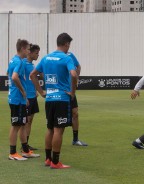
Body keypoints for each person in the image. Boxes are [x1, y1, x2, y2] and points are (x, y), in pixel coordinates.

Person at [30, 33, 77, 169]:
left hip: (49, 98)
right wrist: (72, 92)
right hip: (62, 99)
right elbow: (73, 74)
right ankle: (56, 162)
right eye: (69, 44)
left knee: (50, 129)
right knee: (58, 130)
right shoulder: (66, 58)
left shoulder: (46, 58)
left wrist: (41, 91)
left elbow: (33, 74)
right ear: (66, 44)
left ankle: (48, 159)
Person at [7, 39, 40, 160]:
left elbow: (9, 74)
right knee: (16, 125)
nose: (28, 51)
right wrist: (23, 91)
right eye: (27, 49)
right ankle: (12, 153)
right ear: (22, 49)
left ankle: (26, 150)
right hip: (16, 98)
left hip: (19, 98)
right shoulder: (19, 62)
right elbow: (15, 77)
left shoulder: (14, 60)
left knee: (23, 123)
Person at [22, 44, 41, 150]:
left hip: (33, 96)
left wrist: (35, 91)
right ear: (30, 52)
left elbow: (31, 79)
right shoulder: (23, 63)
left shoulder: (32, 65)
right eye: (36, 53)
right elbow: (17, 78)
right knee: (26, 121)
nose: (38, 55)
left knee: (30, 120)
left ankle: (26, 144)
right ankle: (23, 145)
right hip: (27, 97)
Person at [67, 52, 88, 146]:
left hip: (71, 90)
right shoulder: (55, 57)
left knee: (75, 113)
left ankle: (75, 139)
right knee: (58, 118)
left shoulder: (70, 55)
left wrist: (76, 79)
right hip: (61, 91)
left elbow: (78, 66)